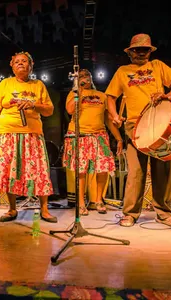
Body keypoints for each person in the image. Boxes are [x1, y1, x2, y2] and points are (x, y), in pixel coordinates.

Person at [105, 33, 171, 228]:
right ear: (130, 52)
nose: (141, 53)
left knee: (163, 170)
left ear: (150, 52)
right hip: (135, 126)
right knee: (136, 172)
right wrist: (115, 116)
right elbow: (110, 97)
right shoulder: (122, 71)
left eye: (145, 50)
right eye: (137, 50)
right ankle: (130, 213)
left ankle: (165, 213)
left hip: (159, 123)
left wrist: (168, 95)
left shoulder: (158, 66)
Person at [0, 51, 58, 223]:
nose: (20, 63)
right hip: (8, 133)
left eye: (24, 61)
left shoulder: (38, 85)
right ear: (11, 66)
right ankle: (12, 209)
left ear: (31, 65)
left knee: (39, 170)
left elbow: (49, 110)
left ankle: (44, 209)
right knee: (10, 170)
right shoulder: (5, 84)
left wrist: (34, 104)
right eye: (17, 61)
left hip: (32, 133)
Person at [62, 69, 124, 215]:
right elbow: (70, 110)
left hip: (99, 135)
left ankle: (98, 200)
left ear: (92, 78)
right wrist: (80, 90)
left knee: (102, 169)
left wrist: (119, 138)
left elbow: (109, 119)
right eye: (81, 77)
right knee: (81, 170)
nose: (85, 78)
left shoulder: (102, 96)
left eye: (87, 76)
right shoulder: (74, 94)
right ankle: (81, 203)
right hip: (79, 135)